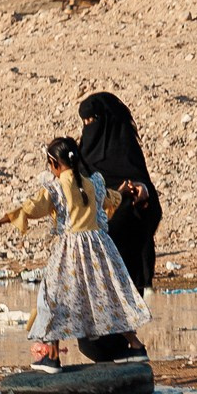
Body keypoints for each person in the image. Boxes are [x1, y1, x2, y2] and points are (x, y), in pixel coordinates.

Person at [0, 136, 151, 367]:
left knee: (54, 299)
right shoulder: (93, 184)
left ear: (54, 163)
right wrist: (127, 193)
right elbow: (109, 198)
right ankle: (136, 347)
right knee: (107, 296)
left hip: (70, 252)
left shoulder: (56, 189)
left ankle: (52, 357)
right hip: (100, 250)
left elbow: (29, 209)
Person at [75, 90, 161, 294]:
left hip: (126, 253)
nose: (89, 127)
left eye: (93, 120)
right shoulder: (83, 159)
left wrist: (142, 192)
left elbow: (150, 200)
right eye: (85, 122)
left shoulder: (126, 149)